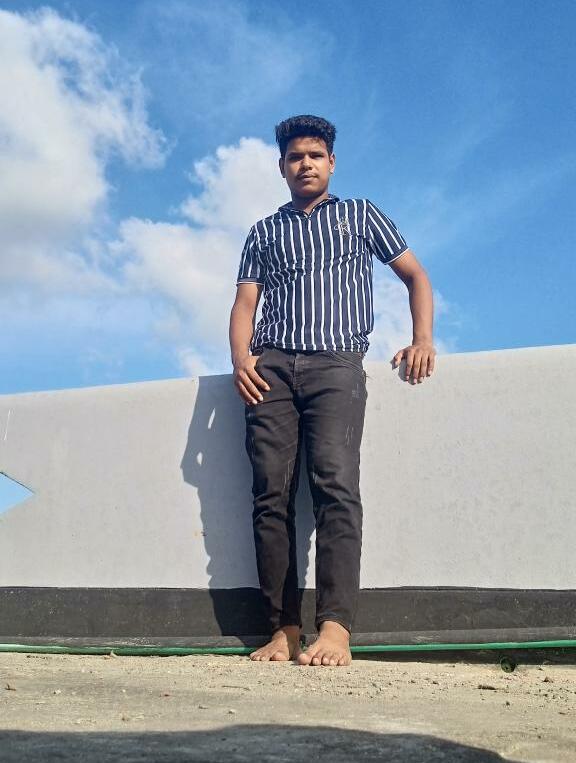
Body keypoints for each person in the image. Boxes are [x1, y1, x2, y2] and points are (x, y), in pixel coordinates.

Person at [229, 115, 435, 667]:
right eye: (295, 157)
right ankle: (283, 630)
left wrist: (422, 340)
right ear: (282, 166)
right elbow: (245, 302)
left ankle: (336, 628)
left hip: (336, 366)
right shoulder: (263, 231)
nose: (306, 164)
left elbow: (415, 275)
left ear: (332, 163)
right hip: (271, 370)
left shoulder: (360, 214)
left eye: (315, 156)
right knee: (270, 495)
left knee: (335, 487)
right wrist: (241, 359)